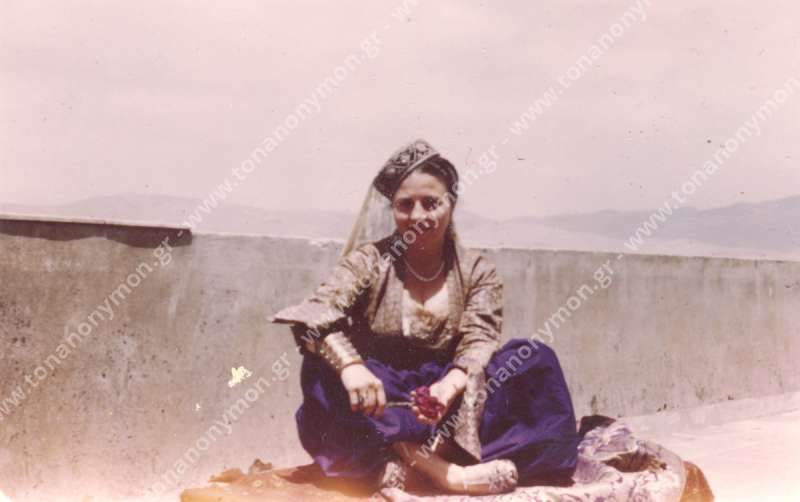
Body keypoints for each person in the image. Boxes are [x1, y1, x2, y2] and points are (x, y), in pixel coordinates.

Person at [270, 139, 580, 495]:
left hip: (451, 400)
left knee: (534, 358)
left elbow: (480, 338)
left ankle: (411, 457)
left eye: (431, 203)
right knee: (320, 365)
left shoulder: (478, 271)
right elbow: (315, 312)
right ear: (392, 209)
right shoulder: (368, 262)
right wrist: (351, 367)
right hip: (381, 394)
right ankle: (440, 470)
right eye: (405, 205)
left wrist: (449, 387)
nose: (418, 216)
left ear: (451, 204)